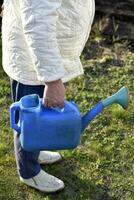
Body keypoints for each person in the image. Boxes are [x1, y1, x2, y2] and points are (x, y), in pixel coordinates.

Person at [1, 0, 95, 193]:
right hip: (32, 62)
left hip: (39, 58)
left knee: (37, 120)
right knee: (29, 122)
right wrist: (52, 80)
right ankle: (29, 171)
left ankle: (34, 150)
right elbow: (38, 23)